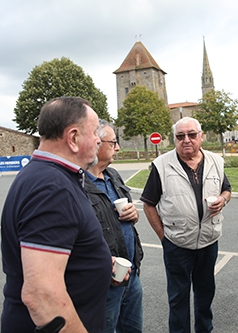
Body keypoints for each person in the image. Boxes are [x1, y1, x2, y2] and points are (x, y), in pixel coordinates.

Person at [1, 97, 112, 333]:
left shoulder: (45, 175)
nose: (98, 140)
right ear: (73, 137)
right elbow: (42, 295)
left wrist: (93, 262)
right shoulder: (53, 187)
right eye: (94, 132)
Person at [141, 116, 232, 333]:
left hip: (209, 242)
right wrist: (164, 238)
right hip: (177, 245)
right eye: (180, 136)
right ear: (175, 140)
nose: (186, 140)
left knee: (205, 294)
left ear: (201, 137)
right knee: (178, 299)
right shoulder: (161, 165)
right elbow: (148, 205)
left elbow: (226, 189)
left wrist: (224, 199)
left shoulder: (215, 162)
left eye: (192, 135)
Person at [85, 119, 144, 333]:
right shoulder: (78, 184)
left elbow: (127, 217)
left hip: (131, 274)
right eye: (113, 142)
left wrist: (134, 214)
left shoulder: (113, 175)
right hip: (106, 282)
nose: (117, 148)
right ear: (97, 143)